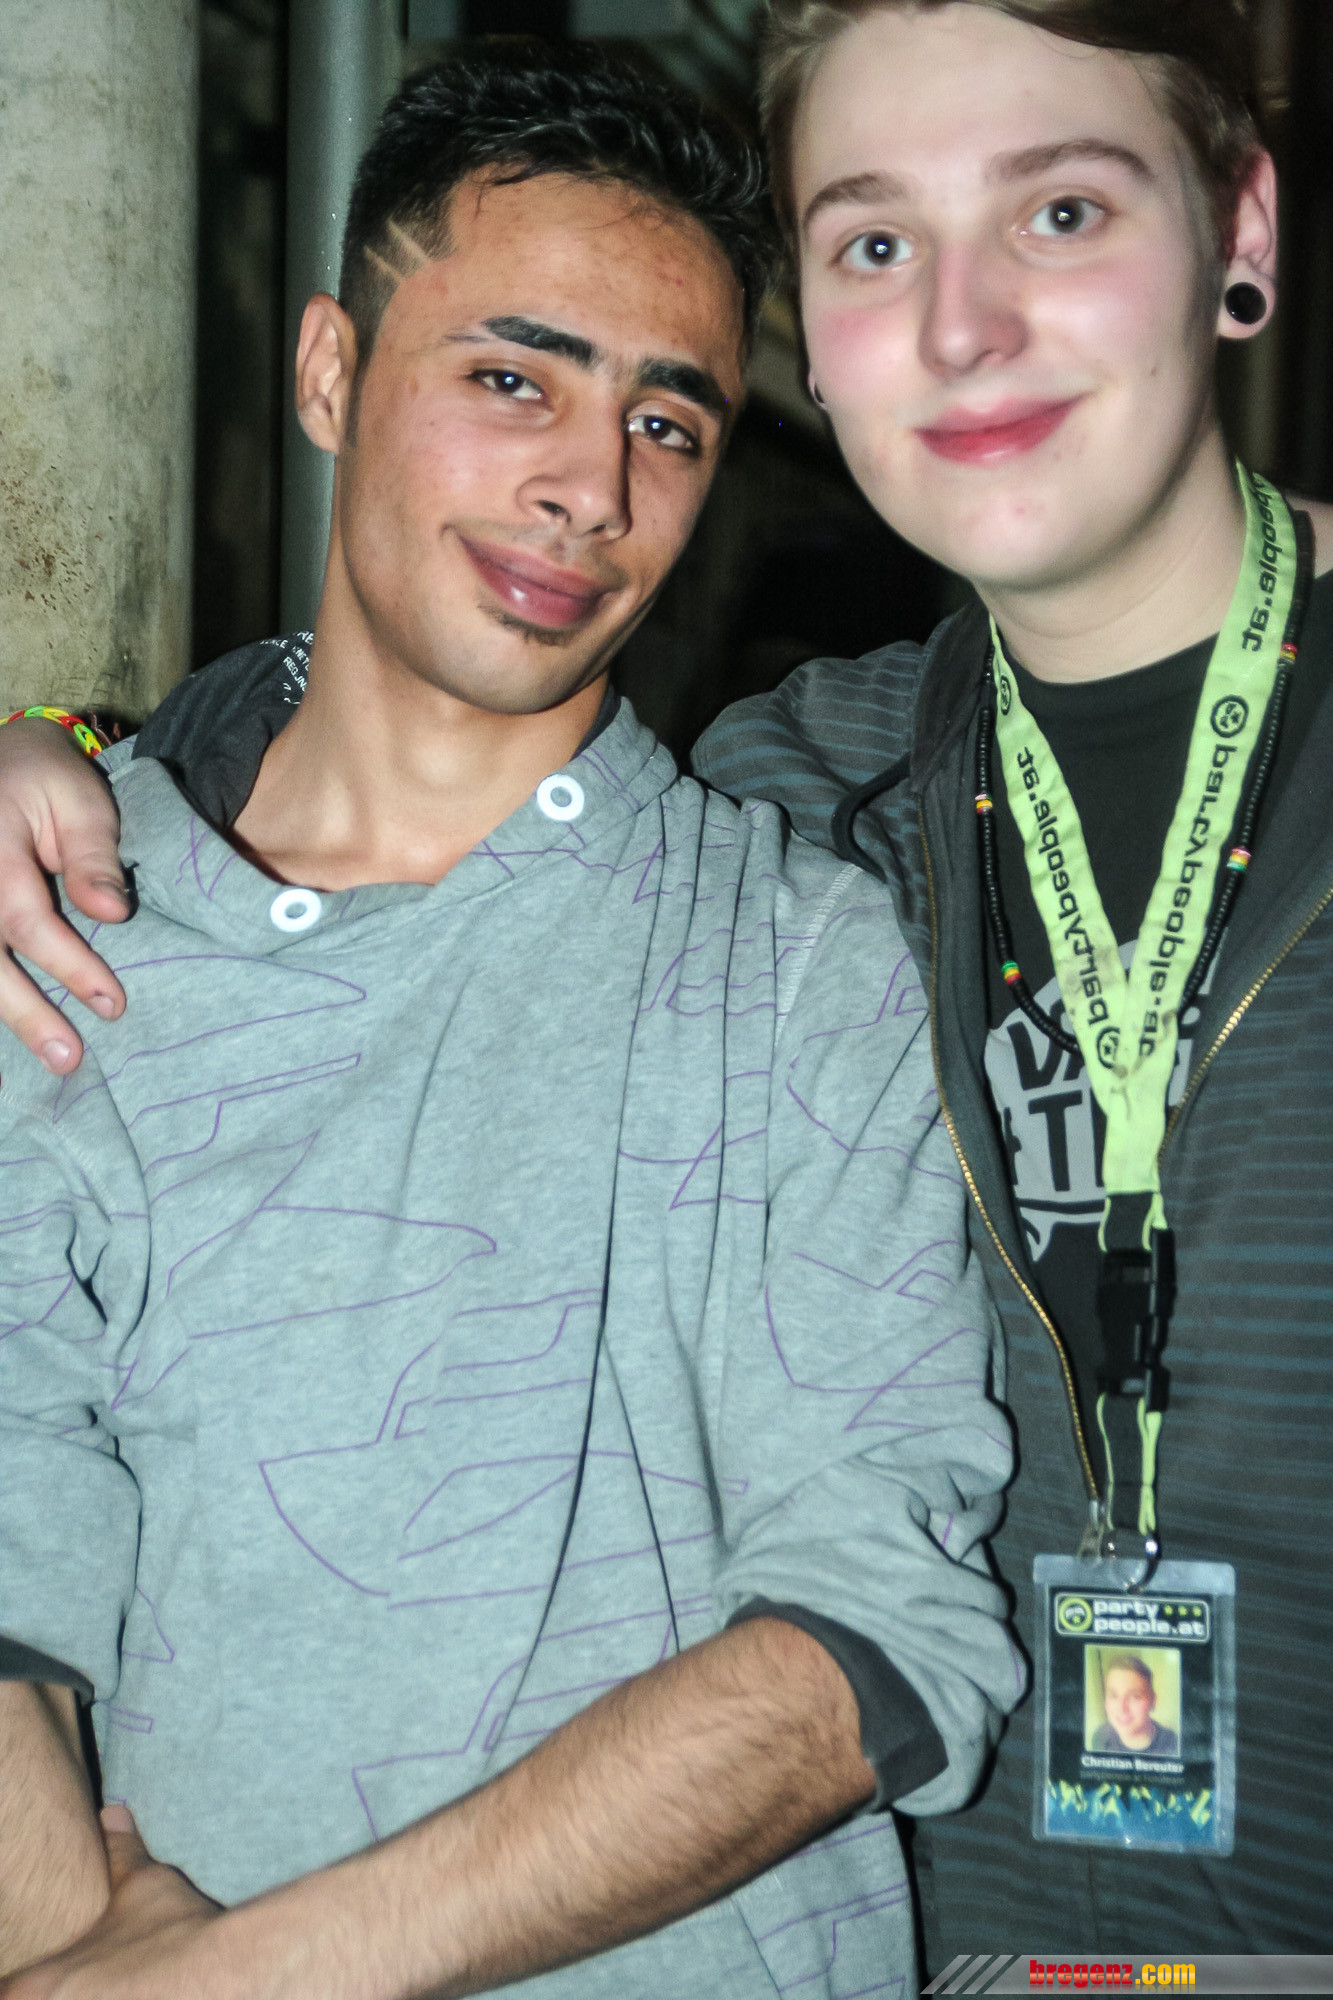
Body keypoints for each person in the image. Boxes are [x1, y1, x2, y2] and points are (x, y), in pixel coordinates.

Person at [6, 0, 1333, 1968]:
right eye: (873, 241)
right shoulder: (816, 792)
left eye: (1058, 212)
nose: (960, 324)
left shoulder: (789, 894)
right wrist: (66, 753)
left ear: (1240, 227)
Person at [1090, 1657, 1179, 1759]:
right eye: (1113, 1695)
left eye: (1135, 1696)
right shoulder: (1100, 1736)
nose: (1121, 1708)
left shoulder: (1173, 1744)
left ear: (1152, 1700)